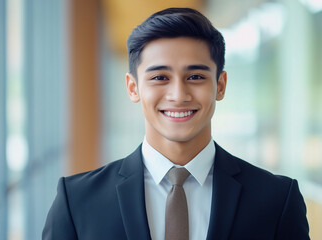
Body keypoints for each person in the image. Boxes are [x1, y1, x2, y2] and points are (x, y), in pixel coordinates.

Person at [42, 8, 309, 240]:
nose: (179, 95)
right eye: (160, 77)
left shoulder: (277, 200)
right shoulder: (77, 201)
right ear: (133, 88)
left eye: (195, 76)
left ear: (220, 85)